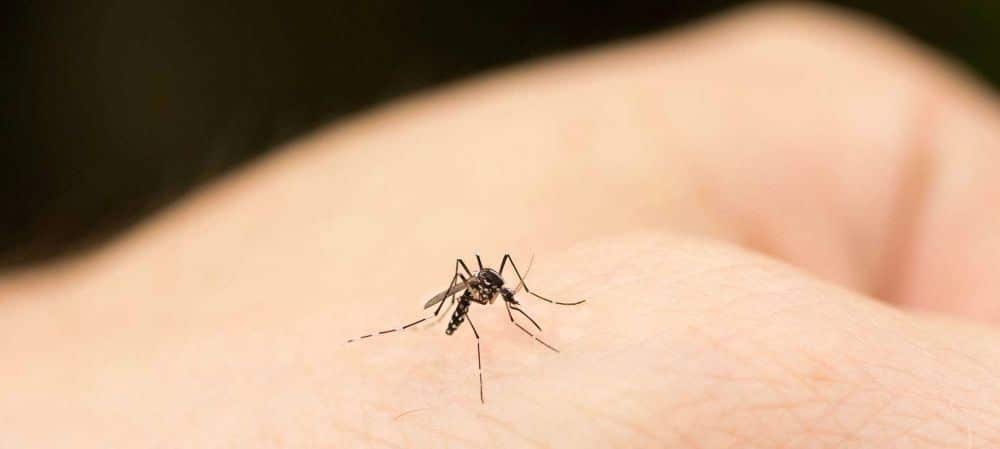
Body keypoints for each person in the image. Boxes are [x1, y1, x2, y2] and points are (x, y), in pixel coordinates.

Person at [2, 4, 999, 447]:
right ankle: (453, 320)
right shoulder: (476, 298)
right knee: (480, 294)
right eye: (496, 295)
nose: (498, 293)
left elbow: (500, 274)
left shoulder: (499, 276)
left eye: (497, 294)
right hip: (451, 309)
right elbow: (484, 285)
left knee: (498, 276)